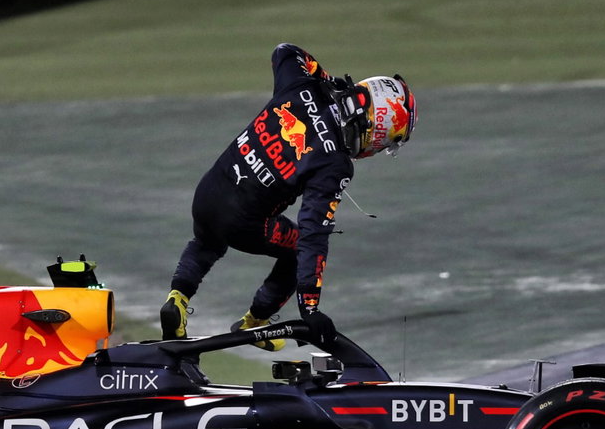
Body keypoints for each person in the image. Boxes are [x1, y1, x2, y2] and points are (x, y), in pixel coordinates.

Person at [160, 43, 416, 349]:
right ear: (377, 129)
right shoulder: (334, 164)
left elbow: (285, 52)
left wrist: (323, 77)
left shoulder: (302, 87)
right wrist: (309, 307)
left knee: (205, 243)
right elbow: (313, 232)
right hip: (243, 223)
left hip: (208, 193)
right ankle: (254, 322)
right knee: (296, 251)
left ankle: (177, 297)